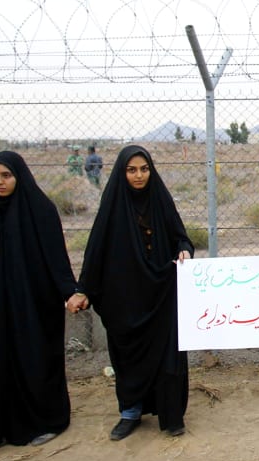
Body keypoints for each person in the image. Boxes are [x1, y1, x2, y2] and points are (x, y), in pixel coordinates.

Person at [0, 151, 78, 448]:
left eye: (5, 175)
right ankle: (7, 424)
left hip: (35, 308)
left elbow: (57, 259)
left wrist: (70, 292)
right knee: (0, 365)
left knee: (36, 363)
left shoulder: (41, 210)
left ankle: (49, 421)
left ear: (19, 176)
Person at [68, 145, 194, 440]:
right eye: (132, 170)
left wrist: (185, 251)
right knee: (128, 356)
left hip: (162, 292)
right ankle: (130, 413)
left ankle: (171, 414)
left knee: (168, 353)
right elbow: (95, 251)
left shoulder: (160, 201)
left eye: (144, 169)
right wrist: (83, 289)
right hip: (124, 297)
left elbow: (181, 238)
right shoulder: (112, 207)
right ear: (122, 173)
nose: (139, 176)